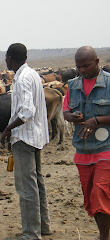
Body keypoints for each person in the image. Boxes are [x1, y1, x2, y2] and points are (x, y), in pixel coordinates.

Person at [0, 43, 51, 240]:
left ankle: (31, 234)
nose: (6, 61)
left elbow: (27, 112)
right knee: (37, 183)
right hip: (37, 137)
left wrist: (7, 130)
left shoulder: (21, 79)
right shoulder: (33, 74)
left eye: (6, 58)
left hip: (24, 138)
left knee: (26, 187)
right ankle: (43, 227)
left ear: (10, 58)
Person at [63, 46, 110, 240]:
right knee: (90, 196)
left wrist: (98, 120)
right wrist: (71, 116)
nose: (82, 70)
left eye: (86, 65)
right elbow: (65, 110)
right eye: (78, 66)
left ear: (97, 62)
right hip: (82, 149)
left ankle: (103, 236)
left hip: (106, 148)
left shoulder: (109, 82)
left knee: (100, 191)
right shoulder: (72, 85)